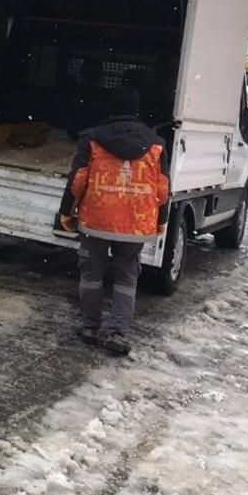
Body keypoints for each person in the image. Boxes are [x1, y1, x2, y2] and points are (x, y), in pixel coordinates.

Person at [55, 87, 170, 356]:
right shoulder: (156, 143)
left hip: (96, 219)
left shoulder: (92, 138)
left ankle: (90, 327)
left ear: (110, 109)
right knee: (127, 278)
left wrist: (65, 212)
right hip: (135, 222)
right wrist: (161, 220)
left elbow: (78, 179)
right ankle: (118, 333)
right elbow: (163, 187)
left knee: (92, 275)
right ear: (137, 110)